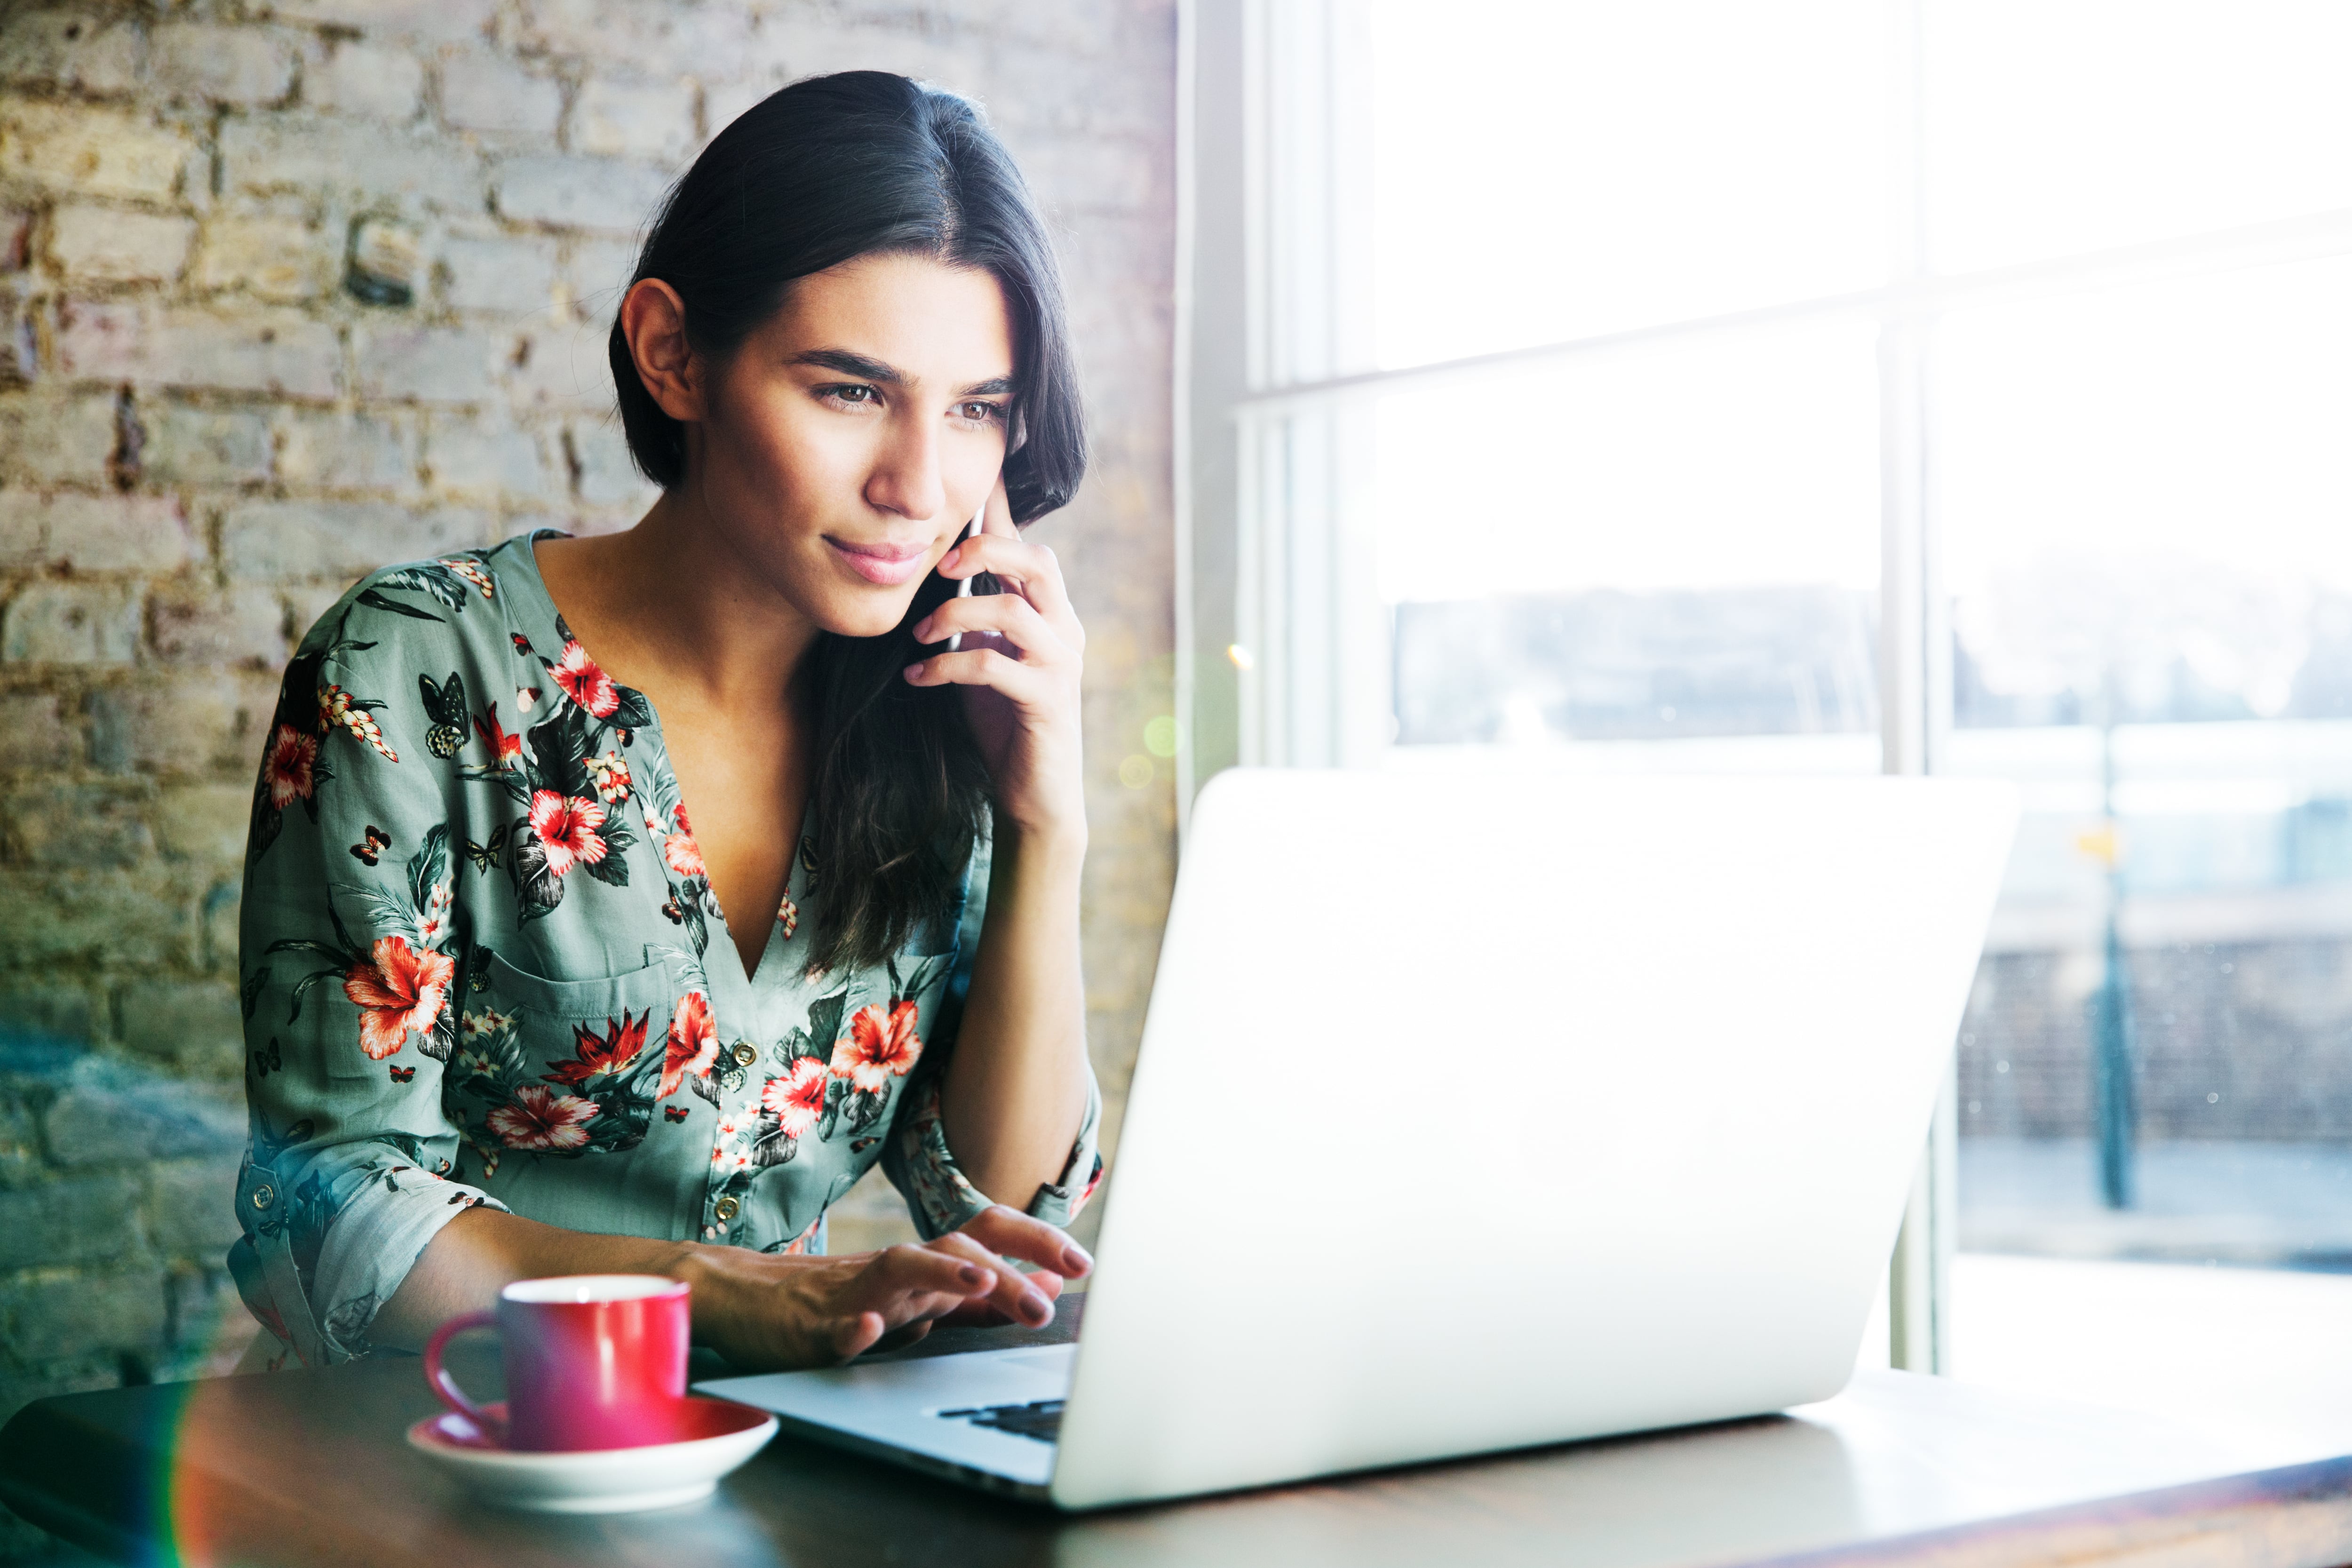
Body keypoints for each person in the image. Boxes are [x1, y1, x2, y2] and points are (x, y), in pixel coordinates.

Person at [229, 72, 1102, 1374]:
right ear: (674, 354)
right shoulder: (417, 669)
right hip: (420, 1469)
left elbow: (1014, 1217)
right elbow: (332, 1218)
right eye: (850, 391)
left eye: (976, 408)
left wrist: (1047, 826)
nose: (920, 486)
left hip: (772, 1477)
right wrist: (720, 1294)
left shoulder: (938, 702)